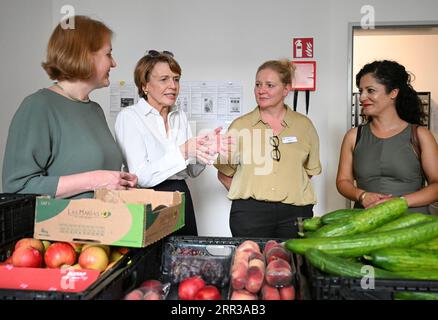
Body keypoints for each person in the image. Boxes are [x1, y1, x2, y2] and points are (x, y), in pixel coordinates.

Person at [2, 15, 138, 199]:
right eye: (108, 54)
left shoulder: (94, 110)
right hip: (63, 227)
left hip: (105, 225)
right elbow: (18, 187)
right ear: (84, 55)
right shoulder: (38, 106)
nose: (114, 63)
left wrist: (120, 181)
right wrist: (93, 180)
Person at [115, 50, 230, 236]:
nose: (173, 86)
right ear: (145, 85)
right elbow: (141, 177)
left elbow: (191, 172)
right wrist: (184, 151)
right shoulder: (129, 118)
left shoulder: (179, 115)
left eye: (176, 79)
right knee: (154, 261)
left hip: (181, 194)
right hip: (148, 199)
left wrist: (205, 150)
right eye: (164, 79)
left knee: (187, 260)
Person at [214, 59, 322, 238]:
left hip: (295, 214)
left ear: (286, 89)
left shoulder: (304, 126)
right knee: (250, 264)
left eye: (269, 85)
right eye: (258, 84)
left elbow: (308, 171)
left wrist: (286, 188)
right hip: (249, 215)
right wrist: (248, 196)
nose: (261, 90)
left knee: (293, 264)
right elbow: (224, 173)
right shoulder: (240, 126)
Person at [336, 60, 438, 213]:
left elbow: (436, 185)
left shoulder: (420, 135)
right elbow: (343, 181)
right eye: (361, 90)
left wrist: (399, 202)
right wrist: (362, 195)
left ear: (393, 93)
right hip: (365, 221)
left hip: (411, 224)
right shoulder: (353, 136)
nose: (362, 97)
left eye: (370, 90)